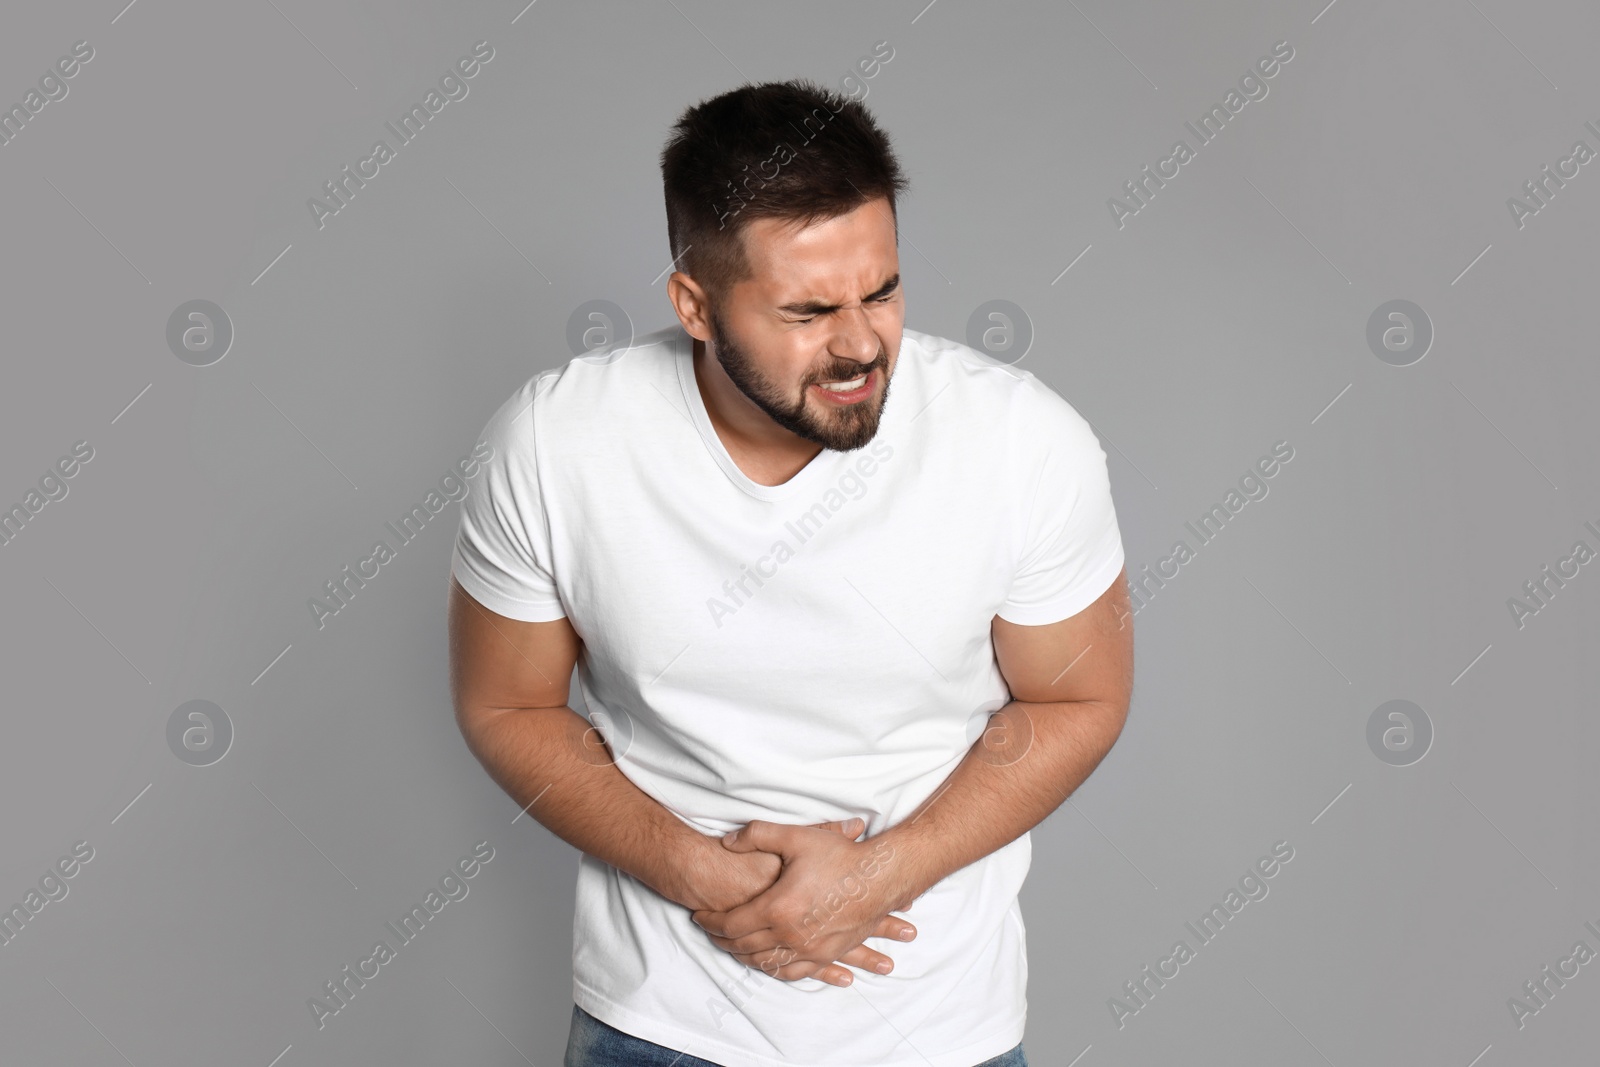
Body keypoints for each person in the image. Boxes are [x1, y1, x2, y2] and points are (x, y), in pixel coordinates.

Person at [447, 77, 1133, 1067]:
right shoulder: (556, 443)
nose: (860, 343)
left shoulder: (1022, 442)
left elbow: (1079, 699)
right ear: (694, 302)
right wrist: (693, 869)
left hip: (941, 1034)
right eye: (808, 309)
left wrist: (879, 875)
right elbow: (506, 705)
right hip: (657, 1026)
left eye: (883, 290)